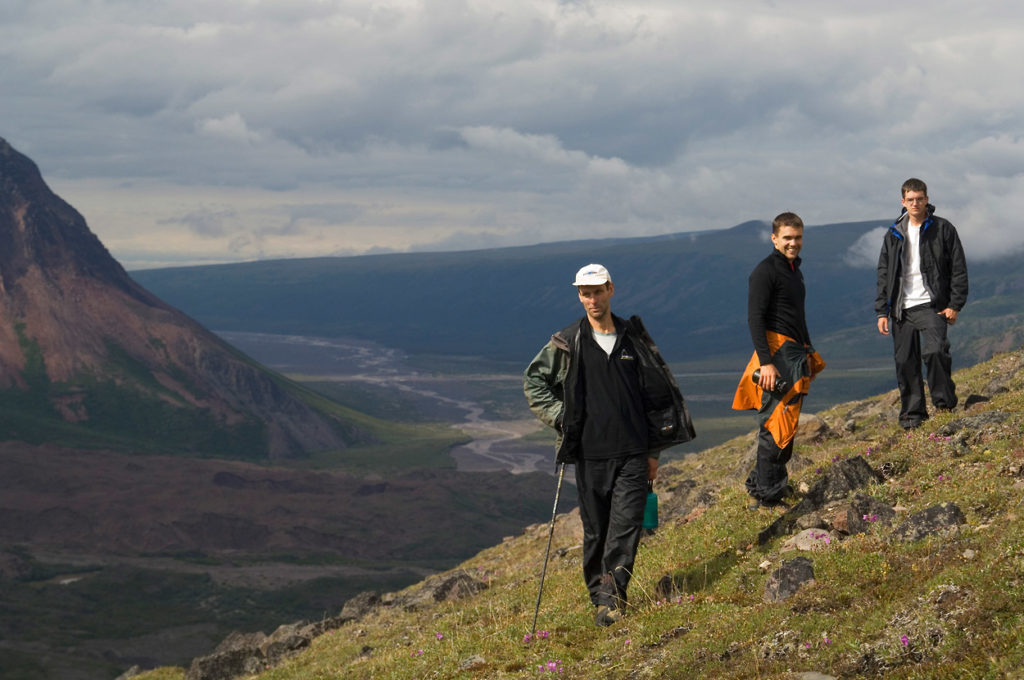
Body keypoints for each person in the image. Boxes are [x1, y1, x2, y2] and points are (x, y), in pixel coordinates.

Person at [523, 264, 695, 627]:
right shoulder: (567, 342)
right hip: (589, 456)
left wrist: (652, 453)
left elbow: (656, 398)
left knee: (625, 527)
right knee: (596, 532)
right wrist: (561, 417)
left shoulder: (633, 339)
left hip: (632, 452)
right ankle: (598, 595)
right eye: (585, 292)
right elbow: (534, 382)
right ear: (579, 295)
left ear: (611, 289)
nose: (592, 299)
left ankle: (612, 599)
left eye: (598, 291)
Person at [732, 213, 825, 510]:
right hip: (776, 354)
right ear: (774, 238)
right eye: (787, 238)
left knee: (788, 421)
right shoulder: (765, 271)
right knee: (775, 423)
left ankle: (764, 487)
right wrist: (766, 363)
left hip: (795, 352)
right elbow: (754, 319)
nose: (793, 243)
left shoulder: (794, 270)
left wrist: (809, 350)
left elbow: (797, 315)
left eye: (797, 237)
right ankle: (768, 496)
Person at [875, 178, 968, 430]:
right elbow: (884, 273)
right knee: (905, 362)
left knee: (935, 351)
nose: (915, 203)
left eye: (919, 198)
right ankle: (913, 417)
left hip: (932, 304)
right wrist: (882, 311)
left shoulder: (943, 229)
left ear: (927, 199)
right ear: (903, 202)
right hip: (900, 308)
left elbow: (958, 268)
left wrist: (954, 304)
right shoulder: (893, 233)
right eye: (910, 199)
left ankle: (944, 404)